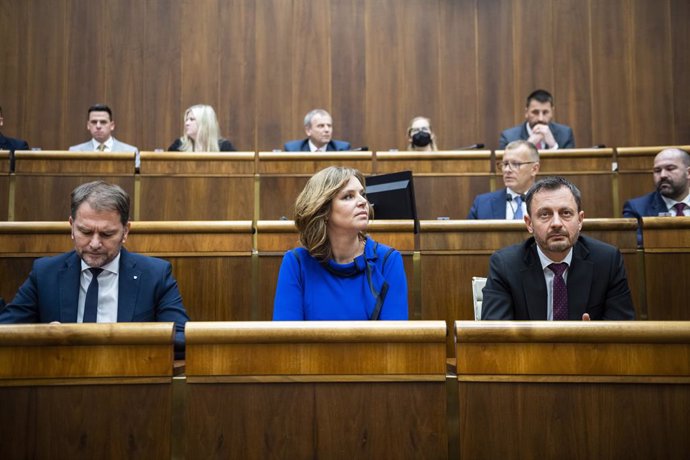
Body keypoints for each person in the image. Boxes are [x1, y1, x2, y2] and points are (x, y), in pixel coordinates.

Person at [0, 181, 190, 356]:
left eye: (107, 234)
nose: (95, 243)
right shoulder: (45, 273)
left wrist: (131, 342)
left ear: (125, 231)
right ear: (71, 227)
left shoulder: (155, 275)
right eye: (85, 232)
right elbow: (6, 331)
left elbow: (183, 340)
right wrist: (44, 337)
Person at [481, 176, 635, 320]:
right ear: (529, 224)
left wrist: (592, 339)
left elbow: (623, 332)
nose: (556, 223)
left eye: (566, 213)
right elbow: (495, 335)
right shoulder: (505, 265)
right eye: (545, 214)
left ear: (580, 220)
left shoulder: (607, 261)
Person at [273, 166, 408, 320]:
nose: (363, 202)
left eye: (362, 194)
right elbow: (286, 338)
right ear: (323, 210)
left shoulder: (388, 261)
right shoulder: (296, 263)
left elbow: (394, 340)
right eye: (348, 196)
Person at [467, 140, 540, 219]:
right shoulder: (482, 204)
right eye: (505, 164)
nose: (507, 170)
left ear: (534, 169)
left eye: (515, 164)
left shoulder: (550, 201)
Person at [623, 148, 690, 219]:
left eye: (670, 169)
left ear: (688, 173)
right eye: (657, 170)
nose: (662, 175)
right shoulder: (637, 209)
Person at [498, 89, 575, 150]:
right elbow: (506, 167)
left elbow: (571, 167)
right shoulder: (509, 138)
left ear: (552, 112)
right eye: (535, 112)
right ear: (526, 112)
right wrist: (528, 146)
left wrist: (553, 146)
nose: (540, 118)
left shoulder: (565, 134)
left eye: (545, 112)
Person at [69, 104, 138, 153]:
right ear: (88, 125)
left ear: (112, 126)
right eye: (94, 122)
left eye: (103, 122)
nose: (98, 126)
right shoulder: (74, 152)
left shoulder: (131, 152)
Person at [168, 104, 236, 152]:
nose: (186, 123)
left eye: (191, 119)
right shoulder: (179, 145)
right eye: (186, 120)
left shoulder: (224, 147)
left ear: (204, 123)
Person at [283, 109, 351, 152]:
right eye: (321, 126)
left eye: (329, 126)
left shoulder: (341, 149)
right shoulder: (293, 149)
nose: (327, 130)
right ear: (308, 130)